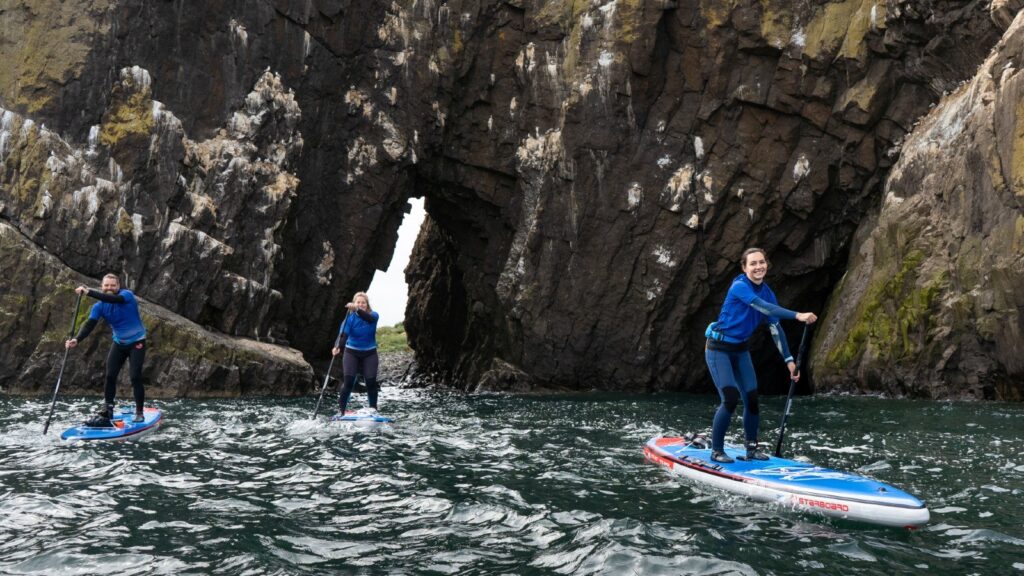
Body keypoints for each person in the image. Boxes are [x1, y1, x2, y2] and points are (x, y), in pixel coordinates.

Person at [704, 248, 817, 463]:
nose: (758, 267)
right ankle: (716, 451)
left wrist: (789, 361)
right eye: (753, 263)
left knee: (752, 399)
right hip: (718, 349)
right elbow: (765, 308)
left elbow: (775, 328)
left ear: (767, 264)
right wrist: (798, 315)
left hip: (740, 350)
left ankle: (751, 449)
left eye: (761, 262)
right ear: (744, 268)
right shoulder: (739, 287)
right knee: (730, 398)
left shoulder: (767, 292)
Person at [65, 273, 148, 426]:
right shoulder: (99, 306)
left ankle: (139, 412)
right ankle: (108, 410)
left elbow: (113, 299)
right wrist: (77, 339)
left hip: (137, 342)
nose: (109, 288)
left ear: (118, 286)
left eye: (113, 285)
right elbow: (90, 324)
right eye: (106, 285)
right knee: (110, 376)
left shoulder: (126, 295)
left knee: (135, 376)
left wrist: (89, 292)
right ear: (102, 286)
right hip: (119, 343)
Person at [331, 292, 380, 415]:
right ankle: (341, 411)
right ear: (354, 303)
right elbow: (343, 335)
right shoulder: (350, 318)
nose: (361, 304)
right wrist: (338, 346)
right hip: (351, 352)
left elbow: (368, 319)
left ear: (367, 304)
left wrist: (357, 309)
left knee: (371, 382)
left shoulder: (374, 315)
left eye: (363, 302)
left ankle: (373, 409)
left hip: (370, 353)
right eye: (358, 302)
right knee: (348, 382)